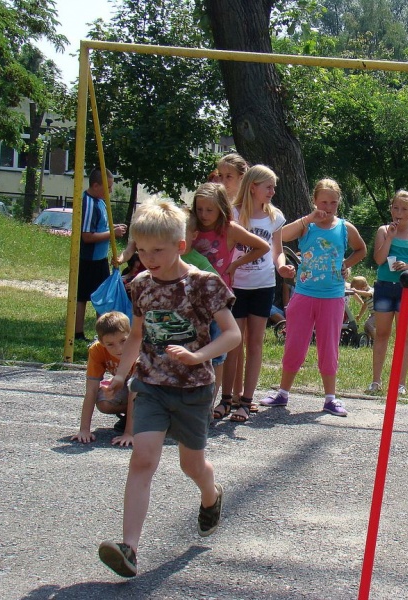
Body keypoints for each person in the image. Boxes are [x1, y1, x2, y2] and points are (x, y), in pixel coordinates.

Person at [97, 200, 241, 578]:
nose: (147, 258)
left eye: (157, 250)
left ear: (180, 245)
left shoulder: (204, 284)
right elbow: (138, 336)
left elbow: (232, 334)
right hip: (151, 385)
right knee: (143, 458)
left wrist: (199, 356)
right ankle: (129, 547)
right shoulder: (140, 284)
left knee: (191, 465)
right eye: (141, 250)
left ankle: (211, 495)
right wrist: (120, 374)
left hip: (194, 389)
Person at [261, 179, 367, 415]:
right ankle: (283, 393)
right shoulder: (307, 226)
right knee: (294, 344)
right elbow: (283, 236)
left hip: (333, 296)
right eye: (323, 202)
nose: (327, 207)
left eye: (333, 202)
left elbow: (361, 249)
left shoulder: (344, 228)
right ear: (314, 201)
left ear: (339, 203)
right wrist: (308, 218)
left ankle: (330, 397)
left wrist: (347, 264)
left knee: (329, 347)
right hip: (304, 294)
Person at [218, 165, 287, 423]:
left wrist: (281, 266)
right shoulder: (233, 214)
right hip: (236, 286)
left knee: (255, 342)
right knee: (233, 342)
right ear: (252, 187)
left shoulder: (275, 217)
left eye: (273, 186)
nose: (272, 191)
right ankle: (227, 399)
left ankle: (246, 401)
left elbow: (276, 250)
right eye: (268, 186)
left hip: (263, 284)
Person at [191, 182, 270, 406]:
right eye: (199, 209)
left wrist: (235, 265)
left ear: (221, 208)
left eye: (209, 210)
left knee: (217, 352)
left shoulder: (229, 228)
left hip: (218, 300)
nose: (204, 215)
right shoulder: (191, 226)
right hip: (190, 297)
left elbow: (262, 246)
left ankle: (211, 403)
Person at [368, 190, 408, 395]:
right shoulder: (382, 230)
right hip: (385, 287)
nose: (399, 212)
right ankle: (376, 381)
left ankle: (400, 383)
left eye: (404, 209)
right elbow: (379, 260)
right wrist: (389, 238)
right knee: (382, 334)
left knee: (403, 336)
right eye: (395, 208)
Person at [71, 311, 137, 447]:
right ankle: (134, 417)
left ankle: (154, 417)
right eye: (110, 344)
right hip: (127, 385)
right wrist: (84, 430)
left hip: (155, 389)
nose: (119, 348)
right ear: (101, 342)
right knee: (104, 400)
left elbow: (135, 393)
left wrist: (129, 434)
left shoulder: (138, 350)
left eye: (123, 341)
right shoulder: (97, 351)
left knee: (137, 391)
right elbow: (91, 390)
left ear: (130, 335)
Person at [76, 168, 127, 341]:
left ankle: (103, 333)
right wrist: (112, 234)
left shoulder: (100, 201)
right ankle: (78, 333)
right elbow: (87, 236)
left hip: (100, 258)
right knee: (83, 296)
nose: (111, 191)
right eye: (108, 187)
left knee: (104, 297)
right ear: (96, 185)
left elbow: (100, 228)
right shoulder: (89, 203)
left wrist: (112, 229)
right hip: (89, 259)